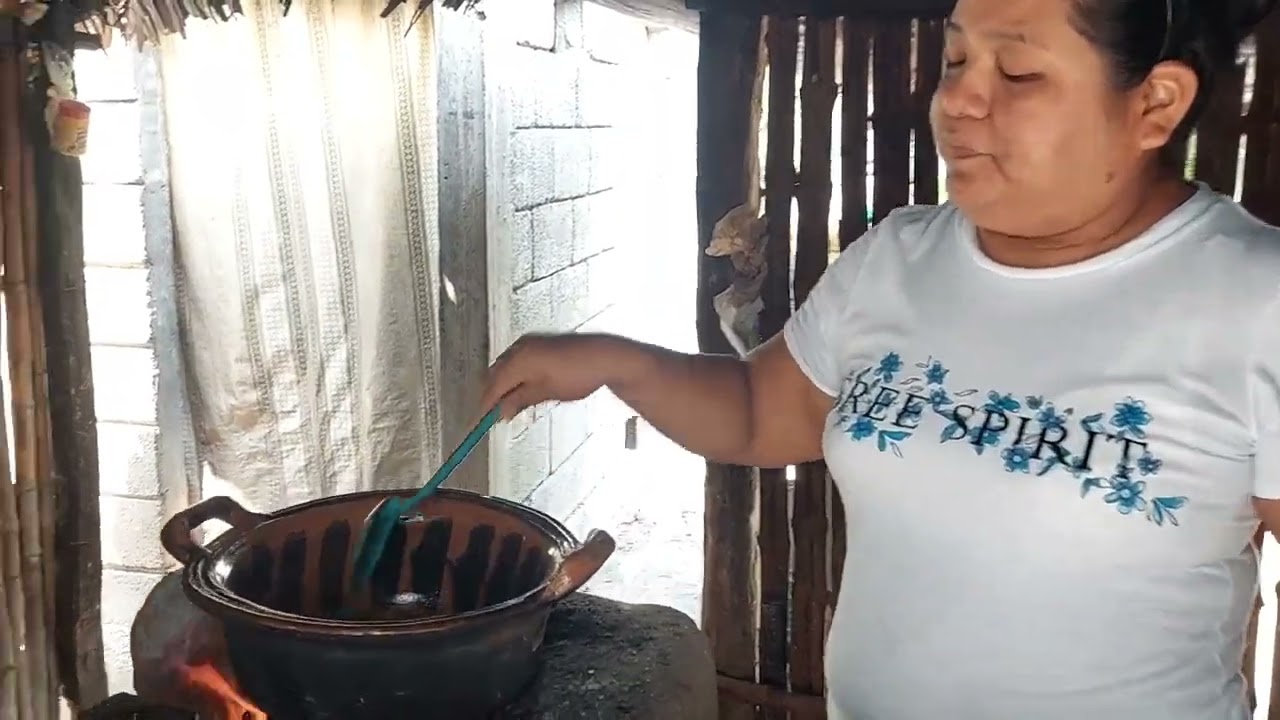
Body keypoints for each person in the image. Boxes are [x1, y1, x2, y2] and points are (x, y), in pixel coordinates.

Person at [479, 0, 1280, 716]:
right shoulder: (899, 257)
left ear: (1156, 103)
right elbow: (763, 413)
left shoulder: (1255, 299)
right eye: (957, 60)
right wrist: (620, 363)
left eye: (1021, 71)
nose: (960, 100)